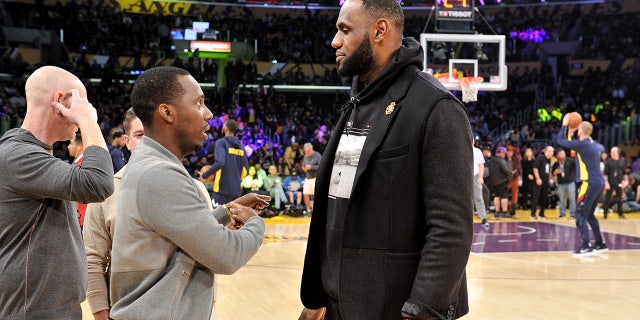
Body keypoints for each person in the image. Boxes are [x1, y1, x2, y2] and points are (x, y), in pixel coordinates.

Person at [299, 1, 473, 319]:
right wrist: (320, 295)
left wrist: (422, 311)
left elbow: (451, 229)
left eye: (344, 30)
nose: (335, 41)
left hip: (395, 310)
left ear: (380, 30)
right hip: (339, 305)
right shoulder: (356, 104)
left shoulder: (436, 107)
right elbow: (340, 209)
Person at [109, 66, 268, 319]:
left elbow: (181, 232)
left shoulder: (148, 164)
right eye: (199, 103)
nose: (209, 114)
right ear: (167, 112)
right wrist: (255, 223)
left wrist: (227, 211)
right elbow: (226, 255)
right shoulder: (160, 174)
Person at [0, 65, 114, 318]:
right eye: (80, 102)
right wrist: (87, 121)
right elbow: (99, 183)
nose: (87, 109)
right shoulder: (18, 156)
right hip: (31, 311)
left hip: (50, 308)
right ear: (60, 101)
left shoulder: (33, 154)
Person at [557, 115, 609, 255]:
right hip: (599, 182)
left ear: (581, 130)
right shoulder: (594, 144)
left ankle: (586, 246)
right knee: (590, 214)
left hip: (588, 182)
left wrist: (564, 125)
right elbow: (573, 144)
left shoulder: (583, 145)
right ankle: (600, 243)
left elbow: (560, 140)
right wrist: (571, 133)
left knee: (579, 214)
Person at [200, 119, 249, 207]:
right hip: (236, 191)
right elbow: (246, 170)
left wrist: (205, 175)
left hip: (221, 190)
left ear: (225, 128)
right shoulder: (241, 146)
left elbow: (220, 163)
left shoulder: (221, 142)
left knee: (215, 218)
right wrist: (235, 179)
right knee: (231, 220)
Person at [68, 132, 88, 228]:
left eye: (71, 143)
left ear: (80, 147)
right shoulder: (78, 162)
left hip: (82, 213)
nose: (68, 147)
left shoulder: (83, 164)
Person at [602, 146, 627, 219]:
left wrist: (625, 181)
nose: (612, 153)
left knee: (620, 199)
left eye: (614, 152)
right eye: (611, 152)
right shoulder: (608, 162)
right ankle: (605, 213)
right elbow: (605, 174)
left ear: (618, 153)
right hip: (610, 183)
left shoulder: (622, 161)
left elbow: (624, 173)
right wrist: (606, 183)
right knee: (607, 199)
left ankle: (620, 214)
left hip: (619, 182)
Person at [530, 146, 554, 220]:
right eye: (550, 151)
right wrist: (537, 178)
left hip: (545, 181)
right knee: (535, 197)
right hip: (538, 180)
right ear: (546, 151)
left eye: (552, 151)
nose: (551, 153)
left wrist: (549, 177)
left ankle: (541, 213)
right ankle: (533, 213)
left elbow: (547, 169)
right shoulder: (540, 158)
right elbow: (535, 168)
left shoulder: (549, 160)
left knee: (544, 197)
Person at [552, 149, 577, 219]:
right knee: (562, 199)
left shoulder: (570, 161)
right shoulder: (556, 164)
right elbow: (552, 173)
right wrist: (555, 172)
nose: (562, 155)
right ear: (557, 156)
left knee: (572, 199)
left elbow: (577, 165)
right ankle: (562, 214)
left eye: (563, 153)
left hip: (570, 182)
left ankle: (573, 214)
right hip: (561, 183)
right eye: (560, 154)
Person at [489, 146, 512, 218]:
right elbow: (505, 170)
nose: (505, 154)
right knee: (504, 196)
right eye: (504, 153)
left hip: (494, 181)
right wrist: (510, 173)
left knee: (496, 196)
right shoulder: (501, 160)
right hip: (502, 181)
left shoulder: (492, 160)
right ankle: (504, 212)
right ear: (501, 153)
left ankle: (497, 212)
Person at [301, 142, 321, 214]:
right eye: (306, 151)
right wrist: (304, 168)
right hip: (307, 178)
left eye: (308, 151)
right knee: (305, 194)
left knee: (316, 195)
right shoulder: (305, 156)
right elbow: (303, 165)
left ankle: (317, 211)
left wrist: (311, 167)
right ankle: (308, 210)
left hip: (315, 178)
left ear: (311, 149)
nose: (307, 153)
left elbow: (321, 166)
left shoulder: (317, 155)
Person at [473, 142, 490, 228]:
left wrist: (481, 176)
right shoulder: (461, 149)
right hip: (464, 177)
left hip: (475, 176)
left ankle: (483, 219)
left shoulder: (477, 151)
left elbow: (481, 165)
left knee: (479, 198)